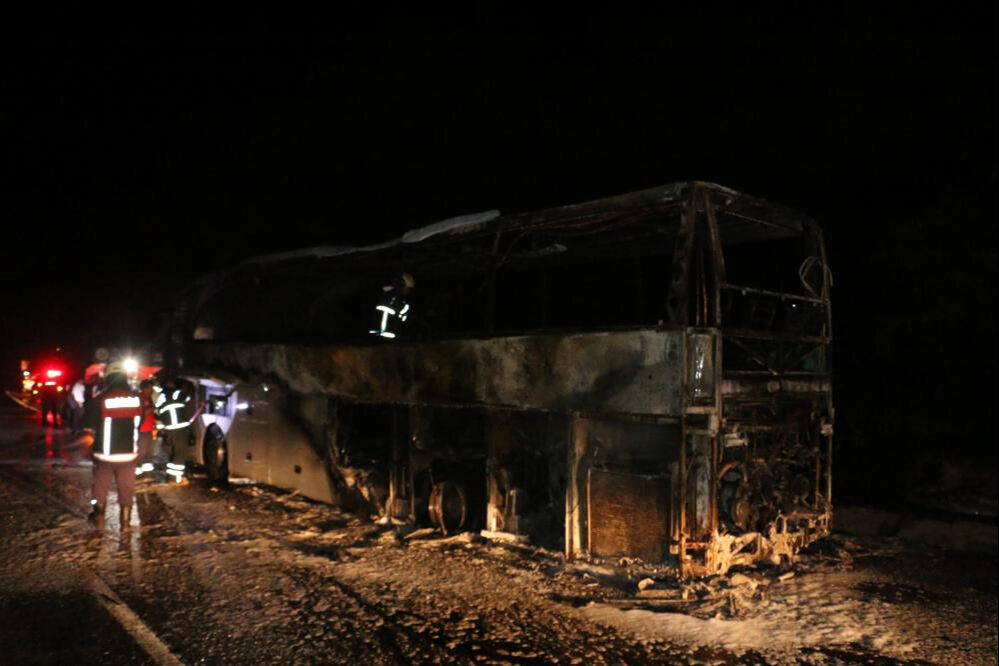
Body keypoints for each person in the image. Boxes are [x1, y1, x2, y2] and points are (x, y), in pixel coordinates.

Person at [87, 362, 141, 530]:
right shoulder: (135, 398)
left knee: (100, 485)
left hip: (104, 454)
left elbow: (90, 423)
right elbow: (141, 422)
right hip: (128, 453)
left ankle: (98, 516)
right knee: (127, 486)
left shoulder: (101, 399)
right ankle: (125, 522)